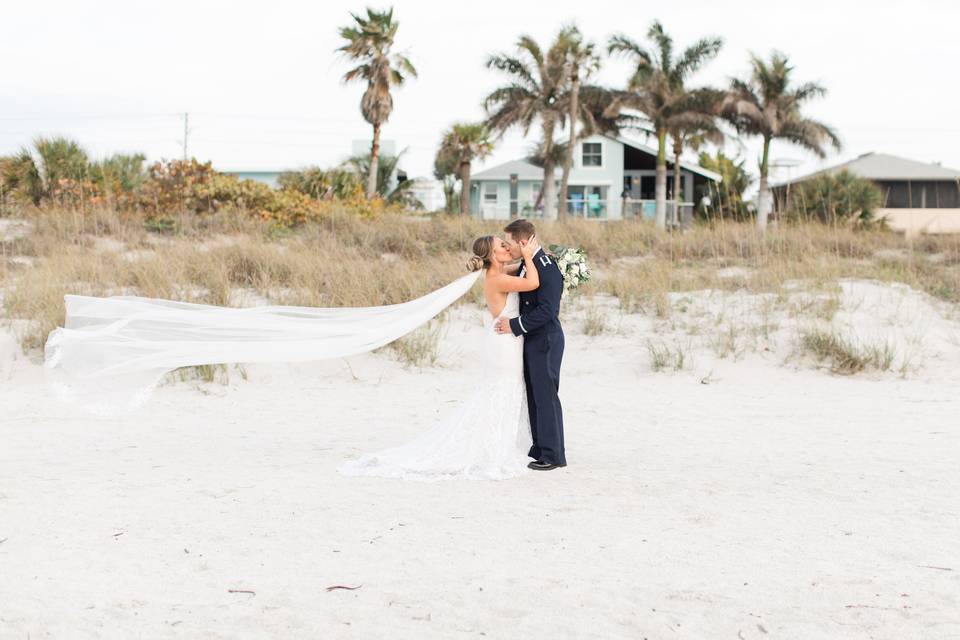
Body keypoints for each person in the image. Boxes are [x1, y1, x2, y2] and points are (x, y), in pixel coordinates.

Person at [338, 233, 542, 480]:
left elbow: (519, 268)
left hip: (506, 340)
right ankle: (493, 449)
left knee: (504, 391)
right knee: (502, 391)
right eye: (502, 245)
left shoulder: (500, 272)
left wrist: (533, 256)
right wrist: (530, 257)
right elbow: (531, 282)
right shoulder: (497, 278)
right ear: (492, 255)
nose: (506, 247)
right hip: (504, 344)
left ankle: (498, 445)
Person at [494, 219, 566, 471]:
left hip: (545, 339)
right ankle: (539, 447)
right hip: (533, 339)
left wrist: (515, 325)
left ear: (523, 242)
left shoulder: (545, 267)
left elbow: (548, 310)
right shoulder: (530, 262)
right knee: (535, 395)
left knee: (546, 397)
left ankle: (553, 454)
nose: (508, 248)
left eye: (509, 243)